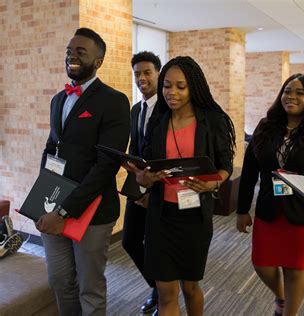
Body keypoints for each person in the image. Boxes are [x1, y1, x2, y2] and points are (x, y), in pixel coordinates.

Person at [127, 56, 235, 316]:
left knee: (190, 288)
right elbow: (146, 169)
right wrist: (144, 179)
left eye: (180, 86)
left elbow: (225, 166)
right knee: (166, 293)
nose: (171, 92)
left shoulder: (211, 121)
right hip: (161, 216)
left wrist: (212, 184)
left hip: (194, 218)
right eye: (166, 85)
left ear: (193, 88)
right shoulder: (158, 121)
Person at [37, 28, 130, 315]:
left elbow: (106, 166)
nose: (72, 56)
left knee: (90, 287)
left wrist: (63, 212)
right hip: (53, 203)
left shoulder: (114, 101)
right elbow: (52, 147)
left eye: (81, 52)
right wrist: (42, 198)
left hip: (92, 211)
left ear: (98, 61)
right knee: (60, 281)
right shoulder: (58, 100)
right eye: (69, 51)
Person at [236, 73, 304, 316]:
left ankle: (289, 312)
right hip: (269, 209)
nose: (291, 96)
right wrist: (241, 209)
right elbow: (249, 171)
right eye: (287, 91)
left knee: (295, 268)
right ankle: (281, 298)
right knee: (261, 264)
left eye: (299, 92)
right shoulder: (266, 126)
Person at [122, 51, 161, 314]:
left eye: (147, 72)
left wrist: (153, 187)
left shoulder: (169, 108)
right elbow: (136, 147)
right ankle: (158, 287)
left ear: (159, 73)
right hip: (137, 185)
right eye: (137, 73)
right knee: (129, 241)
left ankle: (162, 293)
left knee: (157, 245)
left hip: (160, 188)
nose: (142, 78)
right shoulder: (136, 109)